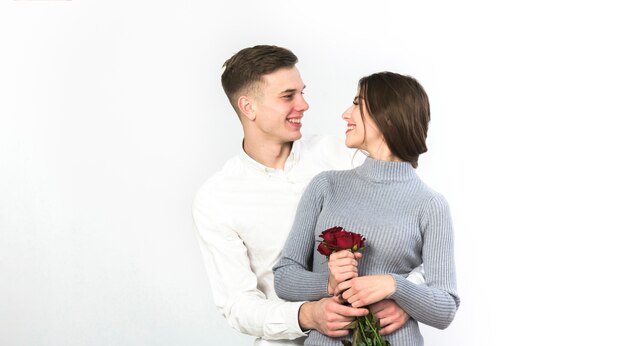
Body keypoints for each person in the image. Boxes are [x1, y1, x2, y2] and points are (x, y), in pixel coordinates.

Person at [192, 46, 420, 345]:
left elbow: (420, 233)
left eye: (302, 92)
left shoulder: (342, 156)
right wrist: (306, 316)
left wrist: (404, 296)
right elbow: (237, 305)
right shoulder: (217, 198)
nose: (304, 104)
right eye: (288, 96)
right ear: (249, 108)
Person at [273, 72, 460, 345]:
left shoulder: (431, 205)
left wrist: (394, 286)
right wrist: (329, 284)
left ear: (388, 115)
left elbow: (445, 307)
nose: (346, 113)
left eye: (357, 102)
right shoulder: (325, 186)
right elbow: (284, 277)